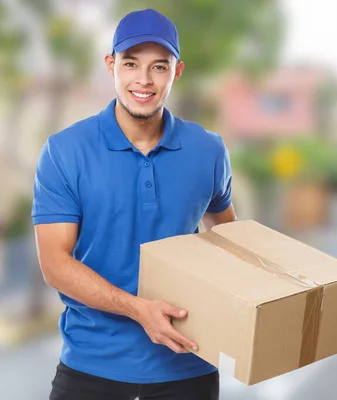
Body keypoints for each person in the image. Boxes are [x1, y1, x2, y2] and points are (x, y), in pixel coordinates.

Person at [32, 8, 236, 400]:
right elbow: (55, 263)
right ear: (111, 66)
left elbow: (229, 241)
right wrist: (138, 309)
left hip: (189, 367)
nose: (143, 80)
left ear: (176, 72)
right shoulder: (65, 151)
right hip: (91, 370)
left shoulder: (208, 150)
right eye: (131, 64)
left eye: (159, 67)